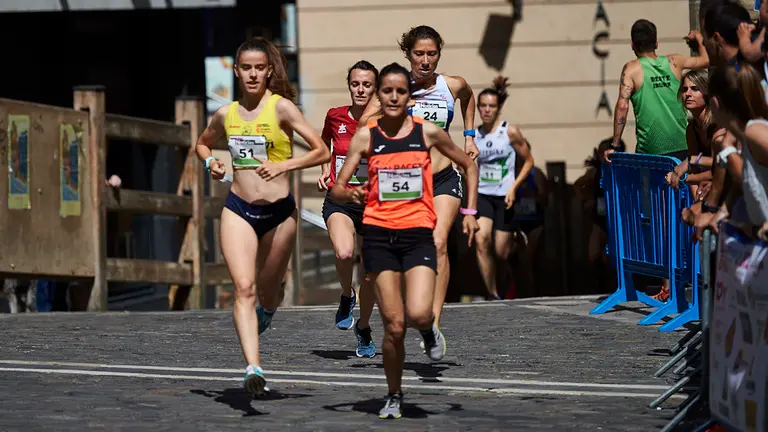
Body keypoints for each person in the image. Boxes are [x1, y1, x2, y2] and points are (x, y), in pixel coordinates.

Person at [331, 62, 479, 420]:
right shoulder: (366, 136)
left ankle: (428, 328)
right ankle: (394, 394)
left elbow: (468, 165)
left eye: (401, 91)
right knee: (394, 325)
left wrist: (470, 213)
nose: (394, 97)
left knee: (416, 313)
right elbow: (337, 187)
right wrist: (351, 195)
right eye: (388, 91)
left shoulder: (427, 133)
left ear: (409, 96)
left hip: (417, 237)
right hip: (380, 236)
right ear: (380, 96)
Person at [195, 37, 330, 398]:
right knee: (243, 288)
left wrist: (284, 164)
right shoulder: (227, 114)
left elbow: (321, 151)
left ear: (268, 71)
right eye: (246, 68)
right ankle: (253, 367)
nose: (253, 74)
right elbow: (202, 142)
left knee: (269, 290)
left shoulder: (281, 108)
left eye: (259, 68)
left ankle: (269, 307)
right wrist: (211, 161)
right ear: (236, 71)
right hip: (238, 208)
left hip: (279, 213)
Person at [360, 25, 480, 330]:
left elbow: (469, 97)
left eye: (432, 54)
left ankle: (434, 321)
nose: (425, 61)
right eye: (419, 54)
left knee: (439, 243)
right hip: (408, 182)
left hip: (442, 177)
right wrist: (396, 111)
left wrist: (469, 136)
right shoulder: (396, 86)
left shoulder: (451, 85)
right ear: (407, 54)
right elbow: (364, 121)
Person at [317, 60, 378, 358]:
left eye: (367, 84)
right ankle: (346, 295)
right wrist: (322, 169)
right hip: (340, 199)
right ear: (349, 85)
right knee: (343, 252)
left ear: (375, 89)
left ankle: (363, 327)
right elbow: (323, 145)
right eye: (356, 84)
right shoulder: (335, 116)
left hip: (374, 206)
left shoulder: (385, 122)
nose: (361, 90)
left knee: (371, 276)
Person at [604, 20, 709, 163]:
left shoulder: (631, 69)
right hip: (682, 145)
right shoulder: (674, 61)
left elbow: (623, 106)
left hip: (650, 152)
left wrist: (614, 145)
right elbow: (705, 60)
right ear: (656, 44)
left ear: (633, 46)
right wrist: (698, 37)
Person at [473, 76, 534, 300]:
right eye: (483, 106)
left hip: (505, 196)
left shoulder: (510, 132)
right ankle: (492, 292)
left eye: (491, 106)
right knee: (481, 240)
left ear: (498, 108)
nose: (487, 110)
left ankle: (515, 241)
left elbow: (529, 161)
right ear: (478, 108)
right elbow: (470, 168)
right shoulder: (475, 135)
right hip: (483, 195)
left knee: (501, 252)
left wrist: (514, 188)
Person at [665, 69, 721, 201]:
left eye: (695, 89)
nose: (687, 94)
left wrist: (683, 176)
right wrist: (697, 199)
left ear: (706, 92)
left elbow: (718, 169)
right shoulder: (691, 128)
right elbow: (693, 169)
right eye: (684, 90)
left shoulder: (716, 124)